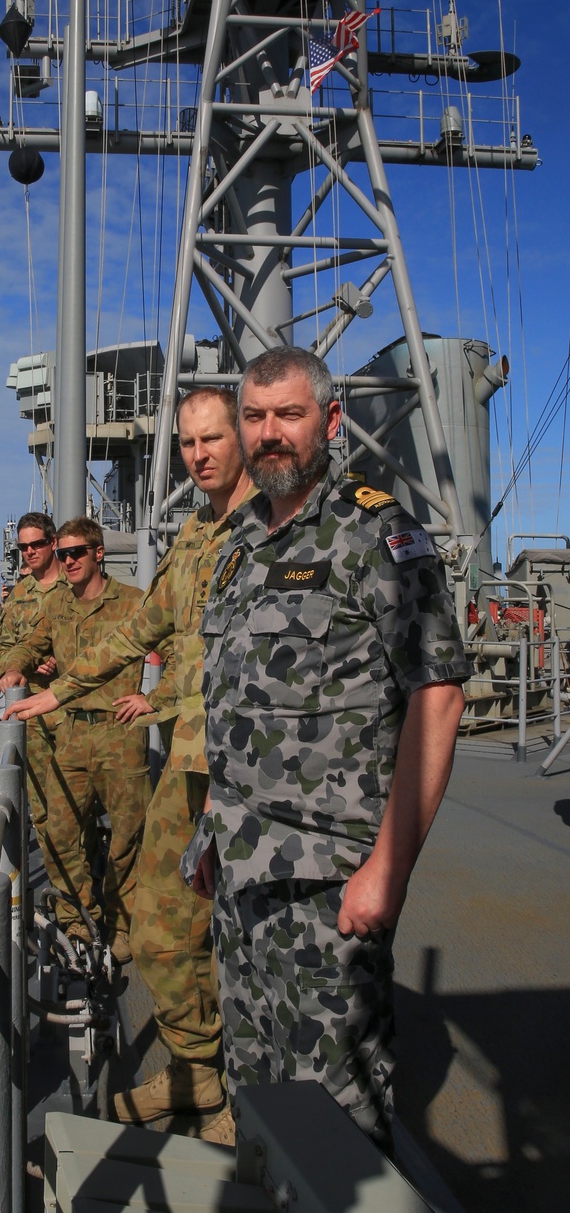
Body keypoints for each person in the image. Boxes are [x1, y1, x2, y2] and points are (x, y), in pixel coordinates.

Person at [183, 347, 469, 1148]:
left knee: (339, 1122)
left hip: (327, 885)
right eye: (256, 417)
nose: (269, 434)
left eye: (289, 416)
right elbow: (232, 699)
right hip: (243, 880)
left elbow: (437, 695)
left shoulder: (377, 533)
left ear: (330, 423)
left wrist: (389, 867)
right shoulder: (238, 545)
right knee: (260, 1099)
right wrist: (213, 827)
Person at [11, 389, 254, 1142]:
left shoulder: (275, 534)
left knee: (251, 938)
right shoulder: (192, 534)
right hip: (189, 765)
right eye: (187, 442)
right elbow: (144, 628)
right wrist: (59, 692)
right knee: (156, 928)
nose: (199, 453)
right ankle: (198, 1075)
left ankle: (245, 1103)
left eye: (212, 437)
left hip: (254, 770)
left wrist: (152, 705)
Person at [0, 517, 161, 961]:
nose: (67, 561)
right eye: (64, 554)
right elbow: (30, 645)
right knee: (58, 835)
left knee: (129, 838)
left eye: (76, 553)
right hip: (69, 734)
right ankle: (79, 921)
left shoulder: (133, 603)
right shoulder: (57, 608)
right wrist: (13, 668)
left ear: (98, 554)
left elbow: (183, 651)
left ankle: (122, 924)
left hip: (119, 735)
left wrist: (156, 697)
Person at [0, 513, 65, 875]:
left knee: (84, 806)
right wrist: (16, 669)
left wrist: (62, 661)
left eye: (37, 544)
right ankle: (65, 893)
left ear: (53, 542)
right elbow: (2, 650)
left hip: (77, 711)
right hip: (35, 720)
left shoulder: (76, 585)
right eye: (24, 547)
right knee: (46, 811)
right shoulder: (18, 596)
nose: (30, 552)